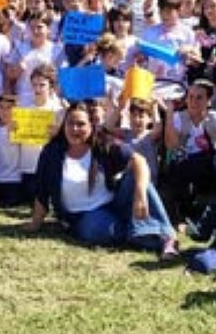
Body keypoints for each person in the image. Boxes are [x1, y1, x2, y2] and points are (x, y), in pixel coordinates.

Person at [29, 102, 178, 258]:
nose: (74, 129)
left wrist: (140, 195)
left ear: (92, 125)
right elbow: (42, 189)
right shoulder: (52, 151)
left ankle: (168, 237)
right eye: (70, 123)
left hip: (114, 203)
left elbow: (139, 160)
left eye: (81, 124)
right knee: (108, 232)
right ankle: (142, 233)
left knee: (138, 175)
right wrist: (35, 223)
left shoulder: (103, 144)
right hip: (84, 216)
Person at [163, 79, 216, 222]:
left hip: (210, 164)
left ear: (209, 101)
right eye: (190, 97)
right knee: (179, 171)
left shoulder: (215, 118)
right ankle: (183, 214)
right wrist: (169, 116)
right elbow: (171, 145)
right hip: (183, 163)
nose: (194, 101)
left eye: (199, 98)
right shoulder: (179, 117)